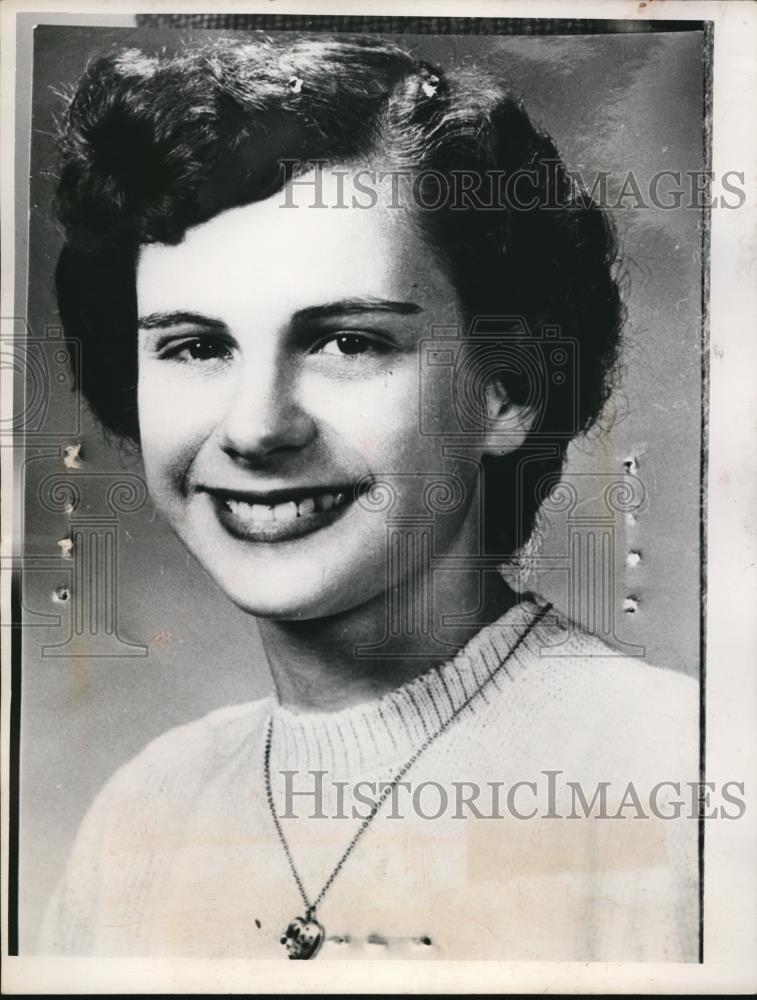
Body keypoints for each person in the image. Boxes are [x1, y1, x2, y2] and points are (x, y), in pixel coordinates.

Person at [39, 34, 698, 961]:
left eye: (348, 342)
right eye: (195, 347)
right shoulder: (144, 817)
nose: (257, 429)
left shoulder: (682, 782)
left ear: (507, 389)